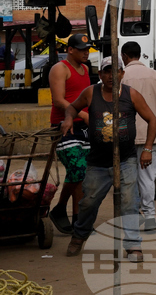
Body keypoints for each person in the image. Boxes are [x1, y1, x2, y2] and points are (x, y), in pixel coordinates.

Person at [61, 56, 156, 262]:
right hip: (97, 162)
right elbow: (72, 107)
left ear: (122, 73)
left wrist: (148, 148)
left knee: (129, 201)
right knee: (88, 201)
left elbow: (152, 119)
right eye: (106, 71)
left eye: (116, 71)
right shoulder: (91, 93)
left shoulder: (131, 94)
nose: (111, 76)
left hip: (126, 160)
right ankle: (79, 235)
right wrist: (69, 117)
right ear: (100, 74)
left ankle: (133, 245)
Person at [120, 41, 156, 233]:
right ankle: (150, 218)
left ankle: (131, 217)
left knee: (127, 178)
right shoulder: (155, 75)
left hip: (126, 135)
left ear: (124, 56)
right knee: (147, 179)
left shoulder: (122, 77)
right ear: (139, 55)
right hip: (152, 137)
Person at [48, 33, 94, 234]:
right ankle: (63, 211)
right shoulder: (60, 69)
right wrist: (83, 114)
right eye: (82, 49)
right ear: (70, 50)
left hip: (84, 127)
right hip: (64, 125)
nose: (86, 53)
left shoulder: (85, 69)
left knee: (82, 175)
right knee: (78, 169)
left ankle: (75, 218)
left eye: (87, 49)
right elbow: (58, 100)